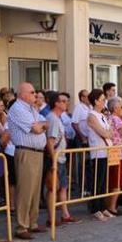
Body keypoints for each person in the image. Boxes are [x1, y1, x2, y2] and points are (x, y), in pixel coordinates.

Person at [7, 82, 48, 238]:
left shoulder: (31, 109)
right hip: (26, 151)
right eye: (32, 93)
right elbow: (37, 128)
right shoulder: (17, 109)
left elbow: (44, 122)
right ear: (23, 94)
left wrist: (42, 125)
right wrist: (42, 126)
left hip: (37, 152)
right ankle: (22, 226)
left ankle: (32, 222)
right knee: (25, 189)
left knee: (35, 189)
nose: (35, 95)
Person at [45, 91, 77, 225]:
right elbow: (50, 142)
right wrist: (53, 161)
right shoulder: (52, 118)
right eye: (63, 101)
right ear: (56, 103)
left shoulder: (58, 118)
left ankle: (65, 214)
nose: (66, 103)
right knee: (53, 188)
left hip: (61, 157)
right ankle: (51, 218)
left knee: (63, 186)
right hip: (56, 159)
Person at [85, 89, 113, 221]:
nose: (104, 102)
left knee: (103, 182)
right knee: (97, 181)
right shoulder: (91, 116)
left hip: (106, 151)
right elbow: (104, 133)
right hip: (97, 151)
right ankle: (95, 208)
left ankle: (103, 207)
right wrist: (107, 132)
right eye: (102, 99)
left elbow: (110, 131)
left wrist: (108, 132)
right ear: (95, 101)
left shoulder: (102, 115)